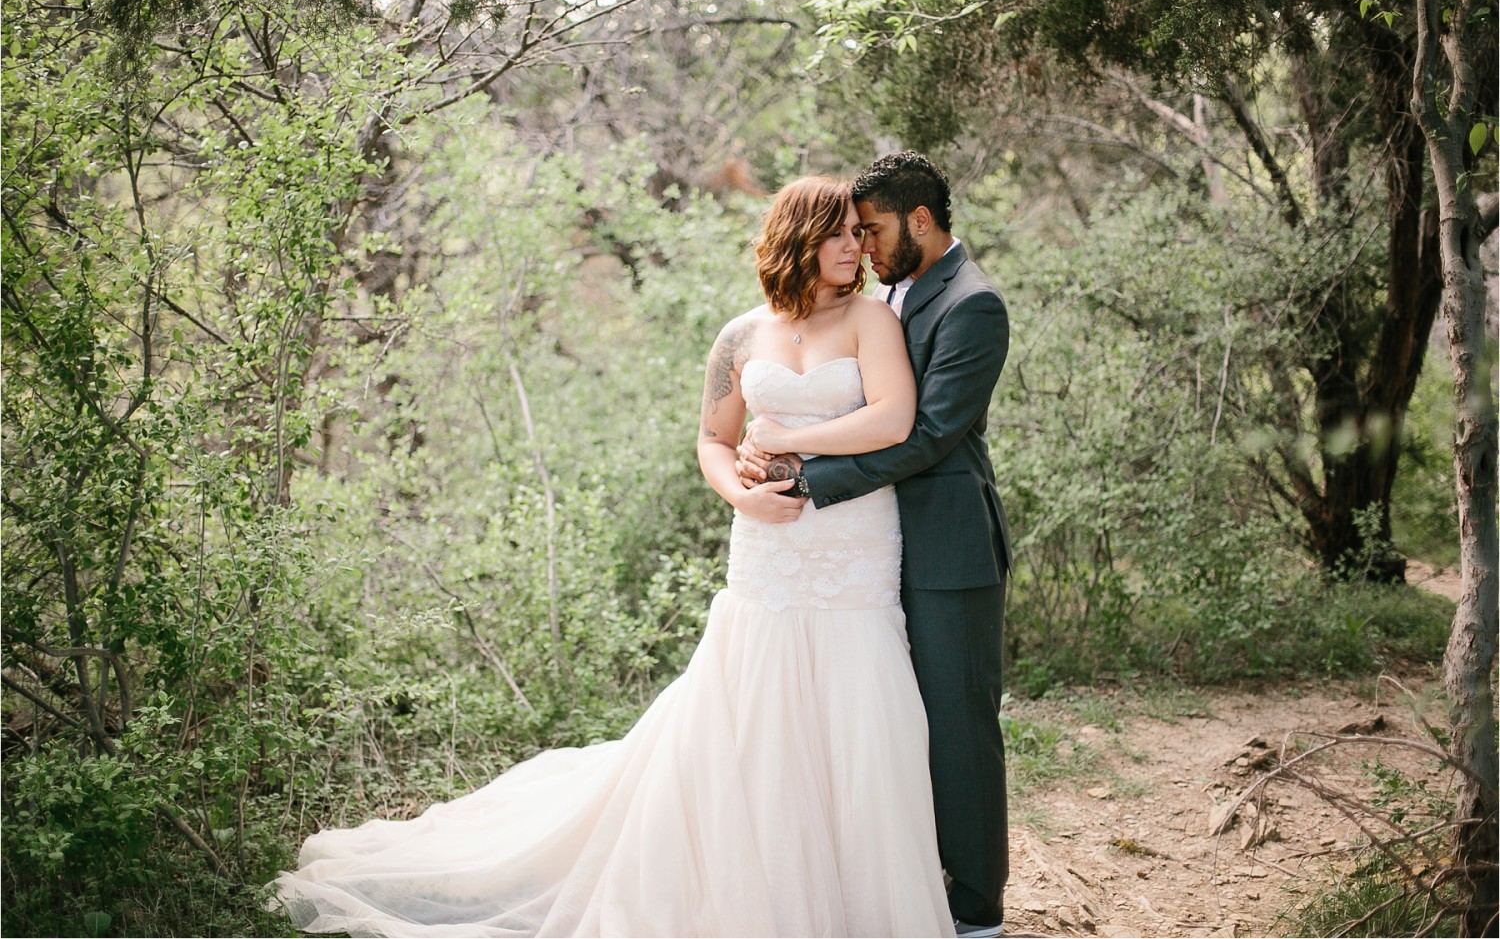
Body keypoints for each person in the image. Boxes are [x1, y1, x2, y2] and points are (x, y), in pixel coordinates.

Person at [271, 176, 957, 938]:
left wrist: (794, 441)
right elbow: (713, 440)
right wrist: (740, 493)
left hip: (851, 544)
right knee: (753, 708)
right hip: (767, 541)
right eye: (836, 233)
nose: (853, 247)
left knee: (855, 709)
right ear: (796, 235)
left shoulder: (871, 320)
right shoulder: (741, 336)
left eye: (858, 234)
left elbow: (893, 420)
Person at [739, 152, 1012, 938]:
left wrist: (805, 469)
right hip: (881, 544)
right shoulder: (897, 292)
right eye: (853, 232)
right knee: (892, 724)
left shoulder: (973, 304)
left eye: (874, 229)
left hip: (950, 545)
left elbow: (927, 433)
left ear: (919, 221)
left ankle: (976, 910)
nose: (863, 246)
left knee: (960, 727)